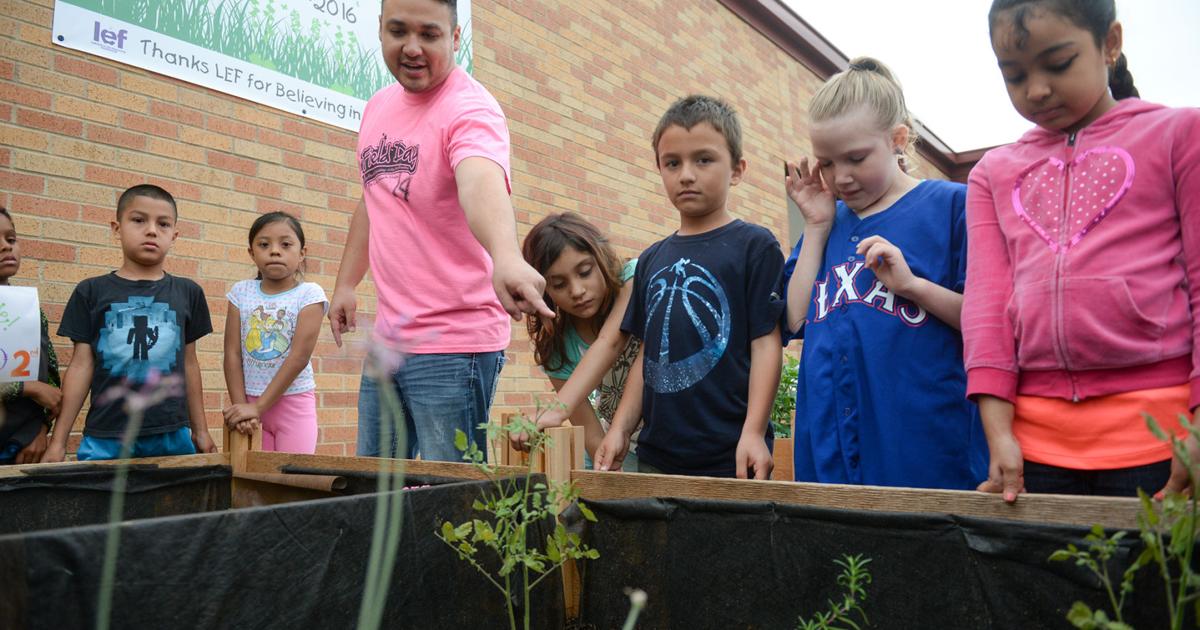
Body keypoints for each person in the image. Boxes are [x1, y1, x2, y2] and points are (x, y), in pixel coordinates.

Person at [965, 0, 1200, 501]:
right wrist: (998, 432)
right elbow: (986, 307)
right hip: (1035, 453)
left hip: (1164, 440)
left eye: (1058, 63)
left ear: (1110, 44)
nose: (1036, 89)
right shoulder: (991, 173)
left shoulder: (1180, 135)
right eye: (1014, 74)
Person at [328, 0, 551, 462]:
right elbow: (375, 197)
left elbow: (481, 183)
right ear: (380, 30)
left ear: (455, 37)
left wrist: (506, 255)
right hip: (389, 338)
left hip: (454, 341)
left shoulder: (470, 109)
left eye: (429, 35)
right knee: (374, 484)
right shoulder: (378, 107)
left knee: (446, 492)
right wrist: (346, 283)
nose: (412, 48)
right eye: (398, 32)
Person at [781, 57, 987, 490]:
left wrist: (913, 286)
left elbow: (990, 325)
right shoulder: (828, 223)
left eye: (856, 158)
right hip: (829, 460)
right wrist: (815, 227)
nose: (841, 177)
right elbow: (795, 318)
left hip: (928, 458)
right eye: (827, 163)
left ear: (897, 140)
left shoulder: (953, 206)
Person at [594, 95, 784, 479]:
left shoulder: (755, 246)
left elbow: (766, 344)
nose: (686, 175)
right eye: (672, 163)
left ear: (737, 169)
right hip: (657, 457)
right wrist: (620, 429)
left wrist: (753, 432)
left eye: (703, 160)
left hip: (732, 456)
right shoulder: (651, 259)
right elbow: (648, 356)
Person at [43, 185, 216, 462]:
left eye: (163, 224)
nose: (151, 231)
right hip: (106, 437)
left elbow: (190, 364)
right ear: (117, 228)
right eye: (138, 220)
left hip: (172, 435)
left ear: (174, 235)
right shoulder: (90, 291)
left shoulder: (188, 292)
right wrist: (58, 441)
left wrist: (201, 430)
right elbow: (81, 366)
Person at [515, 213, 641, 470]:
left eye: (584, 272)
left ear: (601, 257)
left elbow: (611, 340)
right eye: (559, 284)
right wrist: (610, 469)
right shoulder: (558, 350)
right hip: (622, 447)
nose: (577, 291)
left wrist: (557, 409)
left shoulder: (635, 279)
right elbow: (592, 436)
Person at [223, 212, 326, 454]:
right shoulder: (241, 292)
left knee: (293, 473)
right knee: (250, 475)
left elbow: (299, 357)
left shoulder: (309, 294)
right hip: (248, 403)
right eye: (264, 245)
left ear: (302, 253)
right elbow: (232, 354)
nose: (275, 251)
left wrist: (259, 407)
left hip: (293, 405)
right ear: (251, 253)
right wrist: (242, 407)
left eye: (286, 244)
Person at [0, 207, 62, 464]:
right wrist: (27, 388)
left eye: (11, 239)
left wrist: (41, 429)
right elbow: (38, 387)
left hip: (21, 447)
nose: (6, 246)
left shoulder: (30, 310)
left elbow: (51, 377)